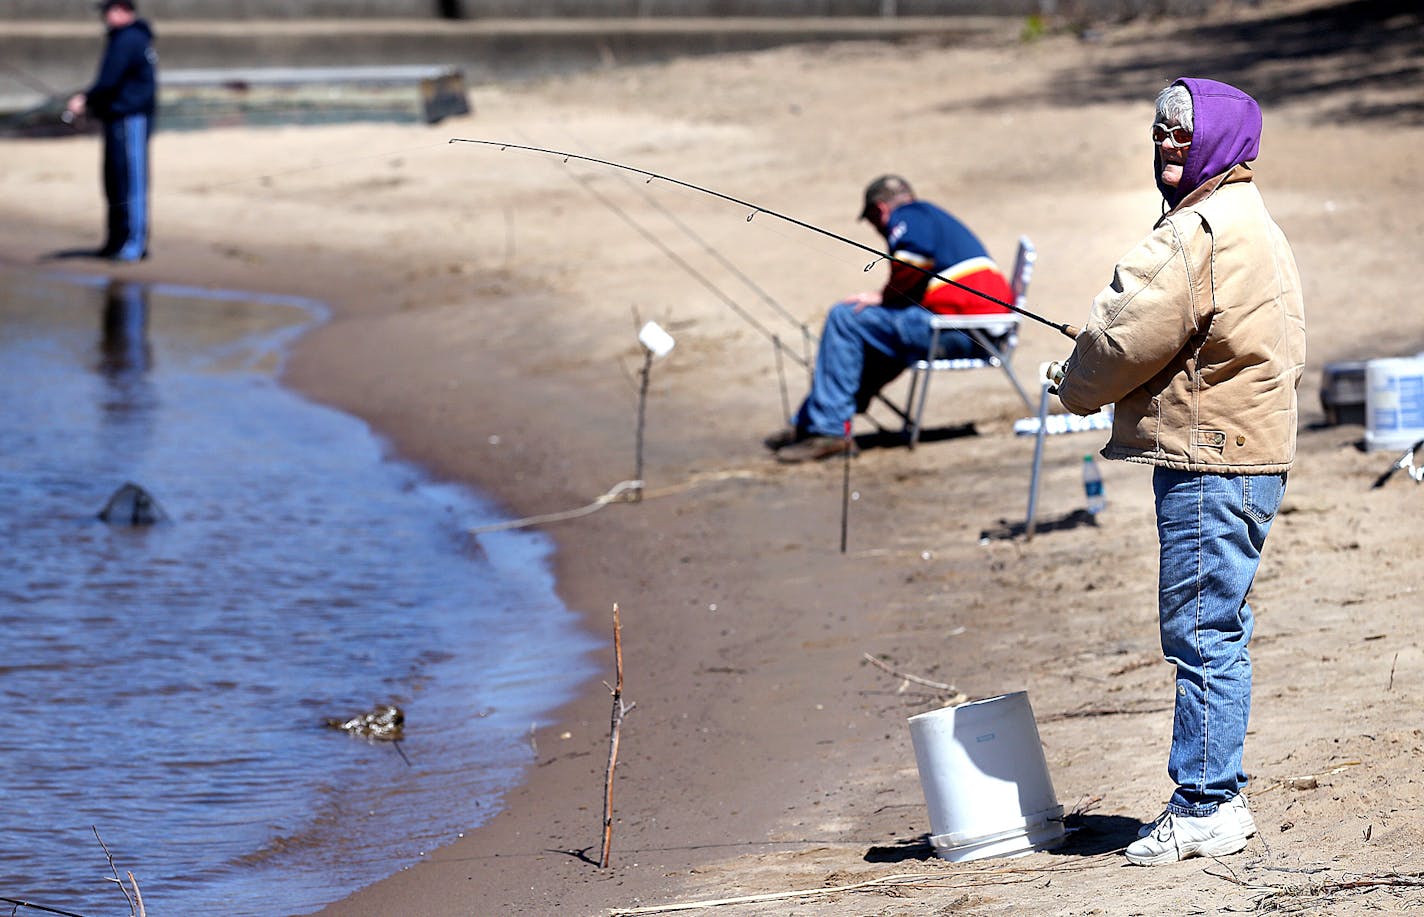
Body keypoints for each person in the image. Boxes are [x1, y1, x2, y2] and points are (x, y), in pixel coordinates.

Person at [1053, 78, 1306, 865]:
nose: (1168, 143)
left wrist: (1071, 380)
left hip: (1212, 460)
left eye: (1183, 132)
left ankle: (1207, 803)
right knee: (1216, 626)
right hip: (1251, 454)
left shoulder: (1198, 228)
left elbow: (1124, 336)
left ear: (1220, 142)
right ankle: (1213, 794)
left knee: (1201, 631)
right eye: (1160, 130)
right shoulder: (1253, 222)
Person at [766, 175, 1016, 463]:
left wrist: (884, 297)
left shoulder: (909, 215)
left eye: (873, 221)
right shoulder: (929, 216)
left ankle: (828, 430)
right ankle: (813, 423)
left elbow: (913, 260)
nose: (877, 230)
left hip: (963, 331)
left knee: (844, 318)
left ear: (880, 209)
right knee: (869, 333)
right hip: (975, 329)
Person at [66, 0, 157, 263]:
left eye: (109, 10)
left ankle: (134, 244)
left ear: (124, 10)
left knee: (131, 182)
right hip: (115, 119)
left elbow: (108, 81)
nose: (105, 16)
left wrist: (84, 99)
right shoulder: (120, 39)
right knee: (114, 181)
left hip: (132, 119)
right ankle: (115, 240)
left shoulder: (130, 38)